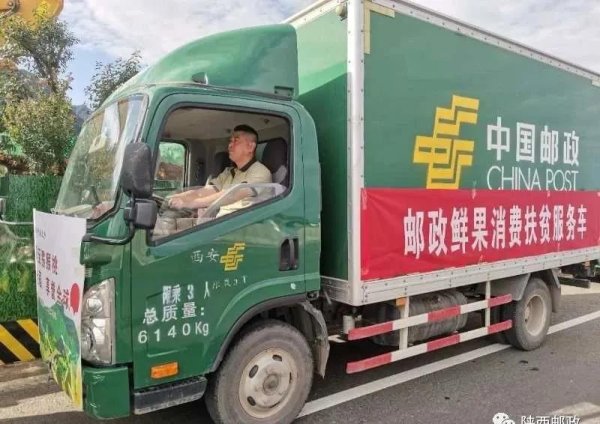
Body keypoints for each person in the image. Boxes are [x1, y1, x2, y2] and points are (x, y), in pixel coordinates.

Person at [167, 124, 272, 211]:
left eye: (236, 141)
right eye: (230, 141)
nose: (230, 145)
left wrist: (191, 203)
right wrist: (178, 197)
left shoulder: (260, 172)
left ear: (250, 147)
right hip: (220, 222)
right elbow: (204, 192)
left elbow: (233, 195)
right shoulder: (228, 172)